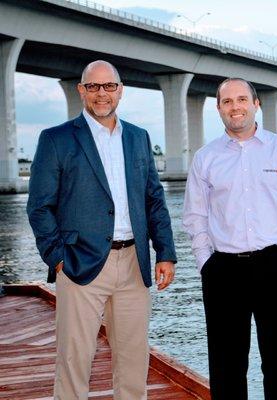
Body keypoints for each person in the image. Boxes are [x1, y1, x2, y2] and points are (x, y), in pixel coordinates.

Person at [27, 60, 177, 400]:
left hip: (133, 263)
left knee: (133, 358)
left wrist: (165, 251)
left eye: (109, 86)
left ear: (120, 90)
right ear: (81, 90)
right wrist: (57, 257)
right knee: (75, 358)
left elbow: (154, 198)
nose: (101, 94)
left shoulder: (138, 138)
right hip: (80, 264)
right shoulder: (56, 139)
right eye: (93, 87)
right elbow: (39, 206)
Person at [183, 77, 277, 400]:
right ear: (218, 109)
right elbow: (194, 216)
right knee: (227, 368)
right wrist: (205, 262)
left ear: (256, 104)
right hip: (224, 271)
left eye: (242, 99)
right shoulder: (205, 158)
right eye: (227, 102)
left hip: (276, 267)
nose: (235, 107)